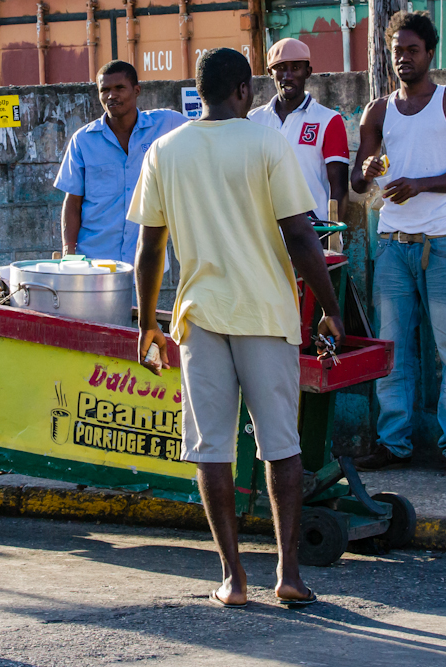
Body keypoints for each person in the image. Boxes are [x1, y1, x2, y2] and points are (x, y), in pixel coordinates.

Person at [129, 48, 345, 608]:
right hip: (265, 314)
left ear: (199, 93)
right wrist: (330, 307)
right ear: (245, 92)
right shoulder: (265, 141)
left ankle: (233, 578)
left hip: (198, 316)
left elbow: (149, 248)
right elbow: (301, 236)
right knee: (282, 447)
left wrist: (148, 322)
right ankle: (289, 574)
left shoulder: (164, 151)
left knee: (212, 450)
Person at [350, 12, 446, 477]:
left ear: (430, 53)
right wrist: (364, 172)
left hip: (441, 244)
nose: (403, 58)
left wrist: (420, 184)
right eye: (396, 51)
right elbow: (358, 183)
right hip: (391, 246)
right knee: (392, 349)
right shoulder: (377, 111)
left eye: (412, 50)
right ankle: (393, 442)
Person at [54, 60, 187, 263]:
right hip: (95, 261)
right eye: (104, 90)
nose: (111, 96)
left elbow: (202, 131)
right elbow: (73, 202)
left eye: (119, 88)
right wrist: (68, 253)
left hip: (146, 261)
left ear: (136, 90)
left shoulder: (166, 124)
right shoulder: (83, 141)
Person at [248, 38, 350, 222]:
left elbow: (340, 188)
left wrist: (332, 237)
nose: (287, 76)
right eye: (280, 68)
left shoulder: (328, 120)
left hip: (314, 231)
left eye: (295, 68)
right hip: (264, 232)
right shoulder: (252, 120)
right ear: (270, 72)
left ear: (308, 72)